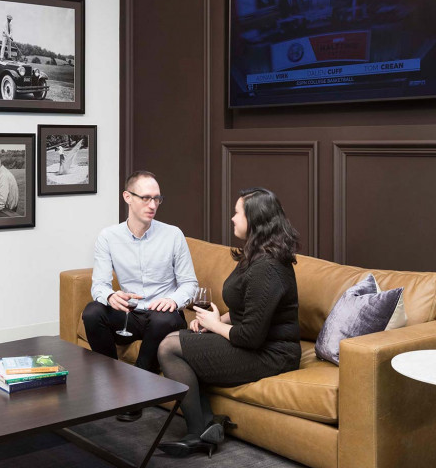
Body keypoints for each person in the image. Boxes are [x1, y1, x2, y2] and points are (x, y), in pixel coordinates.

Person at [156, 187, 301, 457]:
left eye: (237, 213)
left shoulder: (268, 268)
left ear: (255, 220)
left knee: (169, 348)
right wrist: (216, 319)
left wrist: (213, 325)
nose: (232, 218)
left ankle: (198, 431)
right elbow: (244, 307)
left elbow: (250, 337)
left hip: (272, 353)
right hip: (253, 342)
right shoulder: (253, 255)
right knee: (175, 339)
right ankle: (209, 423)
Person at [81, 170, 197, 422]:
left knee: (163, 319)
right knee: (92, 312)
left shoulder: (173, 234)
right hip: (130, 315)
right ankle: (111, 382)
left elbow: (189, 284)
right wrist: (111, 296)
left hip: (163, 318)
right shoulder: (109, 237)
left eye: (157, 199)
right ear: (127, 197)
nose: (153, 205)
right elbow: (99, 285)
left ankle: (136, 392)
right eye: (145, 198)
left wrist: (174, 300)